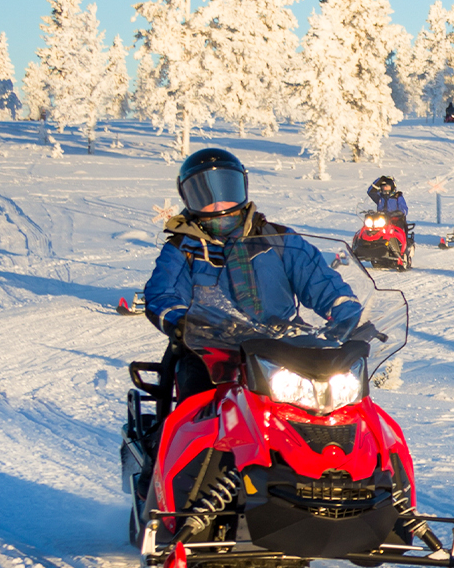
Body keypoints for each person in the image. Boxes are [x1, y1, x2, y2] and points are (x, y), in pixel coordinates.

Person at [144, 149, 362, 416]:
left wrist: (345, 314)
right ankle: (195, 455)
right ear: (188, 198)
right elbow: (162, 294)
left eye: (227, 189)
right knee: (198, 407)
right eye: (204, 196)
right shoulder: (183, 247)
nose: (218, 204)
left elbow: (320, 280)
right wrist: (184, 323)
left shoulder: (278, 239)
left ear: (242, 187)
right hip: (214, 348)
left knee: (340, 402)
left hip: (283, 343)